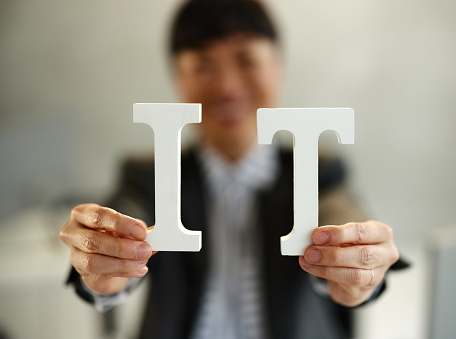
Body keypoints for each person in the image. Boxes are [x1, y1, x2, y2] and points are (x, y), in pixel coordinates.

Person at [60, 1, 406, 338]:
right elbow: (126, 214)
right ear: (178, 80)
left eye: (246, 60)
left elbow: (339, 211)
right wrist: (103, 260)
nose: (226, 86)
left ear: (278, 68)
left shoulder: (317, 172)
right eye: (203, 65)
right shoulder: (147, 176)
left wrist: (358, 263)